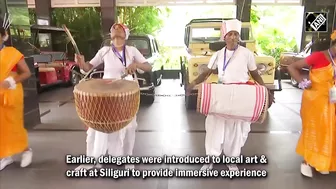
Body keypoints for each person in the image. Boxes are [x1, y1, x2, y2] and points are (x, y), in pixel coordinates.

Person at [186, 19, 272, 171]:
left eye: (236, 34)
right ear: (224, 37)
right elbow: (206, 73)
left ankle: (232, 160)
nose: (233, 37)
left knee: (236, 129)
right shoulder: (218, 55)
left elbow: (255, 74)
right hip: (222, 93)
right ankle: (210, 159)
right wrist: (193, 84)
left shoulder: (247, 54)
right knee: (214, 126)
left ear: (238, 37)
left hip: (240, 95)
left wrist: (265, 91)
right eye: (230, 34)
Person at [75, 23, 152, 170]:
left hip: (126, 93)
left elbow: (148, 66)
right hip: (106, 93)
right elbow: (88, 68)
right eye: (113, 29)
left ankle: (127, 158)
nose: (116, 30)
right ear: (110, 35)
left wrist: (136, 65)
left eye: (119, 29)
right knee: (98, 125)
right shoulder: (104, 51)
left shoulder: (131, 51)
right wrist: (81, 63)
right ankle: (93, 159)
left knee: (129, 127)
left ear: (126, 34)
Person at [287, 30, 336, 177]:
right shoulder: (318, 56)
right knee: (314, 130)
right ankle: (307, 161)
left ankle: (321, 161)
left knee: (328, 131)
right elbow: (292, 67)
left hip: (330, 101)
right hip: (314, 100)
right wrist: (303, 82)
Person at [0, 17, 33, 171]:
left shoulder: (12, 52)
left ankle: (26, 150)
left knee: (13, 125)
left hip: (11, 94)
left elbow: (26, 73)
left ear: (2, 35)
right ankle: (5, 156)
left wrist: (10, 81)